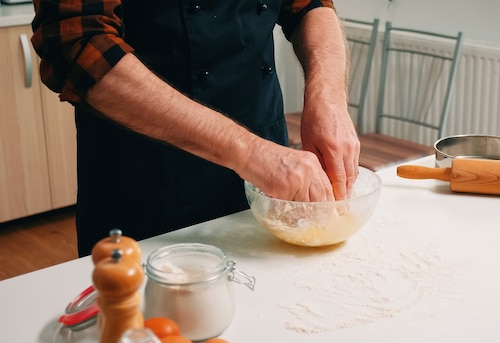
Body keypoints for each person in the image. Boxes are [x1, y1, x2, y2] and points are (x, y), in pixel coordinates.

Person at [31, 0, 360, 257]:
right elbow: (77, 43)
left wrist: (328, 98)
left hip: (269, 174)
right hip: (150, 180)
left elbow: (310, 5)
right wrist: (251, 152)